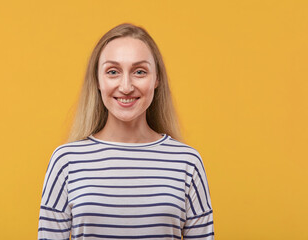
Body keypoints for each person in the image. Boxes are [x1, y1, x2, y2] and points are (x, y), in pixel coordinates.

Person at [38, 23, 214, 240]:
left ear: (157, 79)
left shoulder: (187, 162)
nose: (126, 86)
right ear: (98, 81)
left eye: (139, 71)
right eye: (113, 72)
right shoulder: (66, 161)